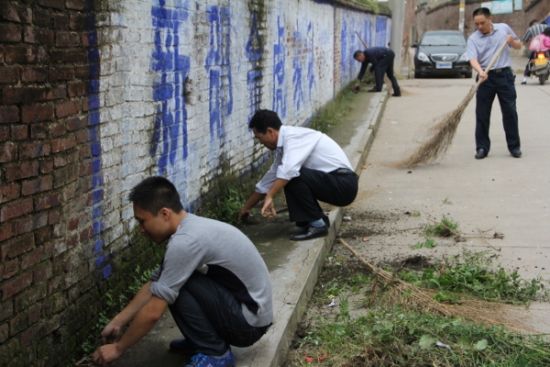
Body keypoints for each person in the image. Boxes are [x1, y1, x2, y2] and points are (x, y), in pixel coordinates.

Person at [92, 177, 272, 367]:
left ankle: (216, 354)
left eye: (142, 222)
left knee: (175, 287)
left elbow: (154, 311)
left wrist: (118, 348)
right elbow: (154, 283)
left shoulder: (186, 242)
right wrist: (119, 321)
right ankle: (202, 339)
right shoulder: (190, 227)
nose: (141, 230)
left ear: (164, 214)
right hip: (249, 312)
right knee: (170, 281)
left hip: (249, 323)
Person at [239, 109, 358, 241]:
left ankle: (317, 224)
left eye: (259, 138)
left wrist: (270, 196)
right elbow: (270, 178)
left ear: (270, 132)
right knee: (285, 176)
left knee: (292, 175)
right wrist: (246, 208)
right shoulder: (283, 147)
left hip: (344, 185)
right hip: (334, 182)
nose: (261, 143)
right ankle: (311, 220)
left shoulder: (294, 138)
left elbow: (288, 171)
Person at [466, 7, 522, 160]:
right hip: (485, 78)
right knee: (482, 114)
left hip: (504, 76)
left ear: (490, 19)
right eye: (476, 24)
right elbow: (472, 59)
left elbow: (519, 45)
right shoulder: (473, 39)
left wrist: (512, 41)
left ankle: (514, 147)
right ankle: (482, 147)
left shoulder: (504, 29)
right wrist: (480, 71)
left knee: (510, 112)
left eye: (482, 23)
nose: (479, 27)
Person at [520, 20, 547, 84]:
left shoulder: (530, 29)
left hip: (536, 50)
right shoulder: (546, 26)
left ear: (531, 25)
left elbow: (524, 39)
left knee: (530, 62)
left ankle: (524, 79)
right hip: (546, 48)